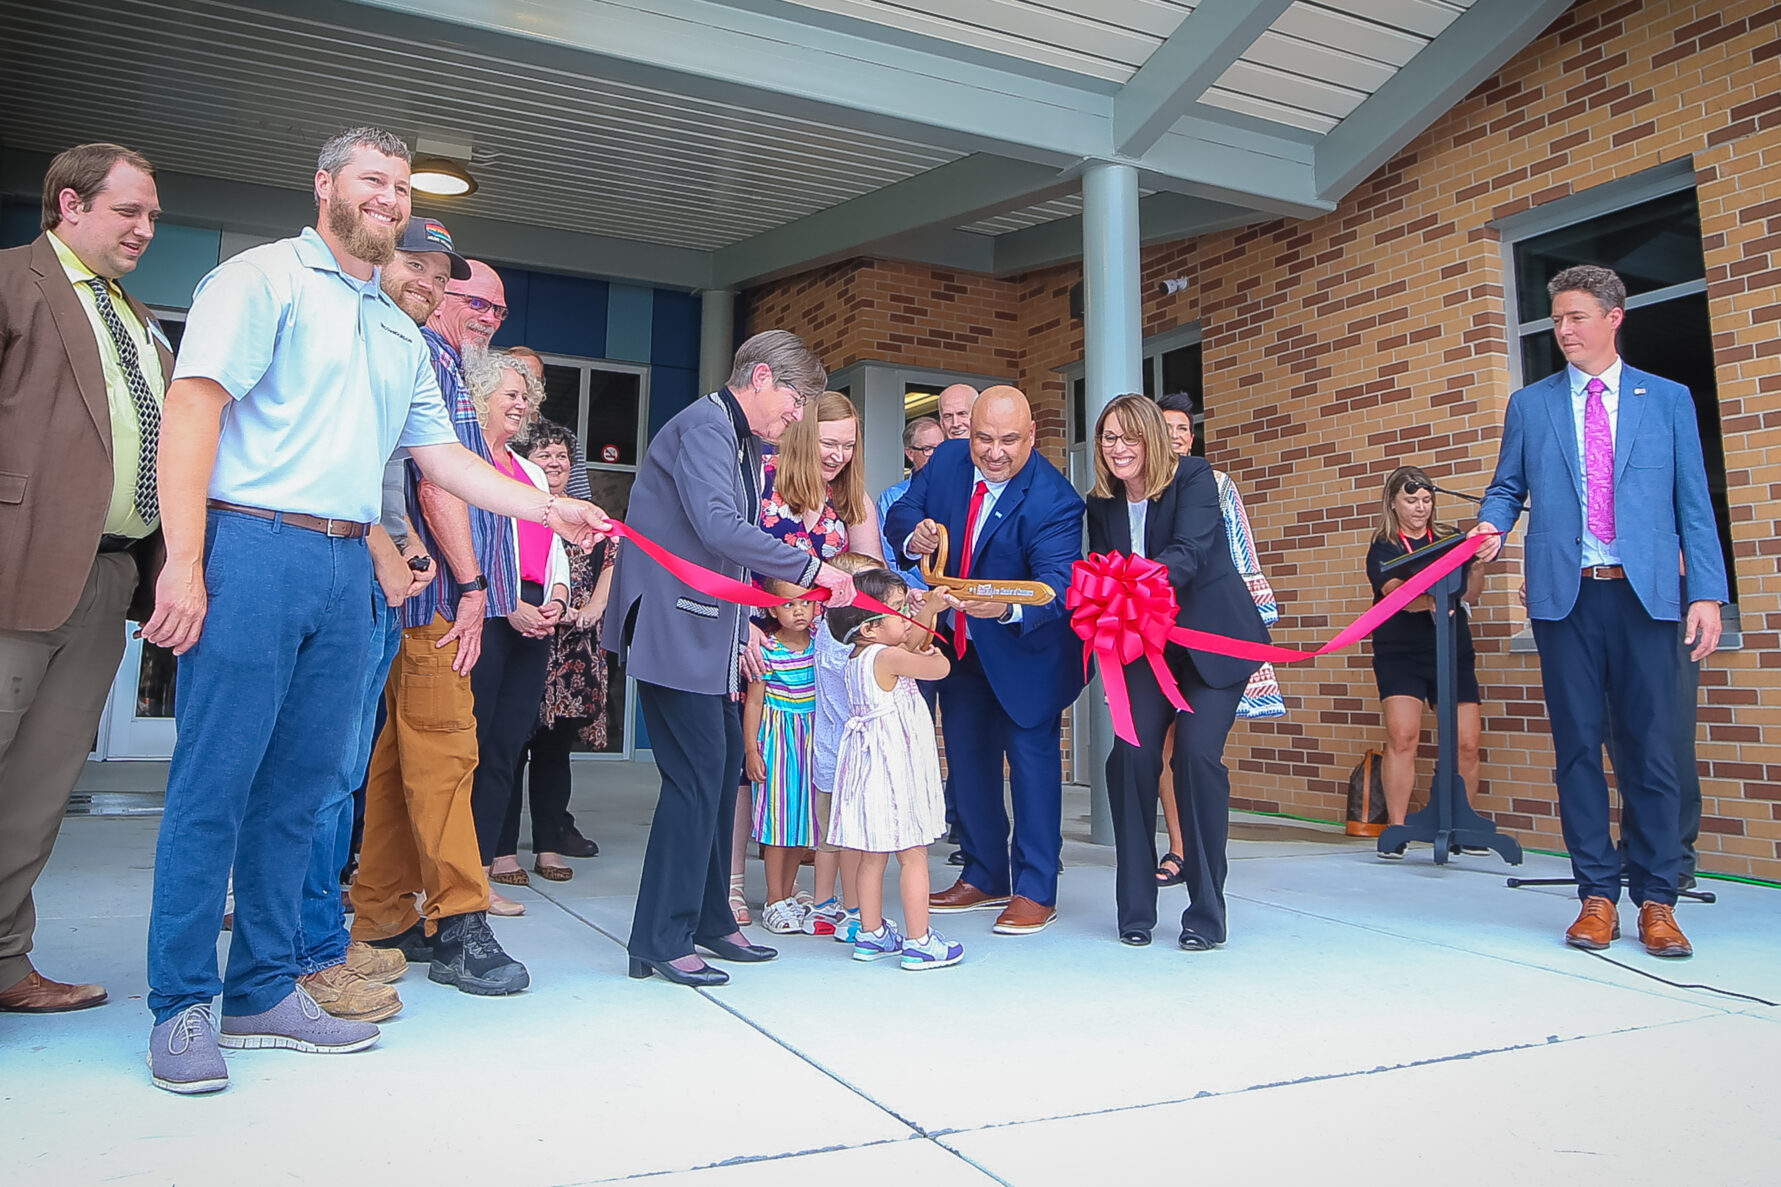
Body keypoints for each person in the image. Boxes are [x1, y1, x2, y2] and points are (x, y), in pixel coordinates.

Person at [141, 127, 609, 1094]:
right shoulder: (260, 280)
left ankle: (264, 990)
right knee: (215, 786)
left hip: (350, 562)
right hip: (254, 545)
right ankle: (181, 1003)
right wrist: (184, 562)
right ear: (325, 187)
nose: (390, 197)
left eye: (399, 185)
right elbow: (193, 410)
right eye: (373, 181)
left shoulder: (398, 327)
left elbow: (442, 462)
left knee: (304, 791)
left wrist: (546, 505)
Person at [1471, 263, 1726, 959]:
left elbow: (1692, 506)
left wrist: (1704, 592)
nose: (1562, 331)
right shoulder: (1532, 404)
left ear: (1614, 317)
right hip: (1566, 597)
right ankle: (1595, 894)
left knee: (1651, 750)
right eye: (1555, 319)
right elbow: (1506, 486)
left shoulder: (1666, 399)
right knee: (1578, 748)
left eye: (1575, 317)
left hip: (1647, 598)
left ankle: (1657, 899)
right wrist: (1491, 526)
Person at [604, 330, 857, 988]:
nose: (799, 414)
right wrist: (815, 569)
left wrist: (744, 618)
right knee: (694, 778)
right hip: (671, 626)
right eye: (797, 398)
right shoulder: (707, 428)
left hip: (710, 629)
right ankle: (659, 937)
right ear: (763, 377)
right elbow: (718, 526)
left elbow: (720, 549)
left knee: (717, 777)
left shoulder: (737, 436)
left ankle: (711, 919)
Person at [0, 143, 169, 1015]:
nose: (145, 228)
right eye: (128, 211)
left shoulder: (134, 316)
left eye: (152, 215)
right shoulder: (11, 282)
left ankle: (4, 963)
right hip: (14, 572)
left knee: (34, 794)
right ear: (69, 205)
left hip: (107, 578)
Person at [289, 216, 466, 1024]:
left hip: (379, 589)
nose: (428, 281)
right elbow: (328, 461)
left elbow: (424, 469)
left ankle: (320, 937)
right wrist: (388, 550)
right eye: (414, 264)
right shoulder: (353, 333)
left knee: (343, 776)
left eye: (441, 272)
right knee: (314, 774)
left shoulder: (404, 347)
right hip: (331, 574)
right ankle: (302, 953)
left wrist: (409, 547)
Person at [350, 253, 536, 978]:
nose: (488, 317)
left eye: (498, 309)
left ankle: (384, 915)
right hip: (431, 603)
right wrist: (470, 582)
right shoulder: (425, 354)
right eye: (476, 302)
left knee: (403, 763)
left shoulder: (444, 359)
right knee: (450, 757)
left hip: (422, 604)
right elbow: (433, 483)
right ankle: (460, 922)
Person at [884, 385, 1085, 935]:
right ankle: (984, 873)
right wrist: (914, 534)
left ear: (1031, 437)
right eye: (983, 439)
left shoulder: (1056, 499)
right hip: (960, 643)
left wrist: (1005, 607)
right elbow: (901, 514)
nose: (994, 452)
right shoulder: (947, 460)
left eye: (1009, 441)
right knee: (968, 761)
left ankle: (1037, 889)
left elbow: (1058, 585)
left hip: (1029, 652)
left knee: (1031, 768)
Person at [1086, 395, 1269, 949]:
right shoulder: (1100, 504)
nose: (1119, 449)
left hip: (1213, 644)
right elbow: (1095, 568)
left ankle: (1207, 914)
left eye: (1130, 437)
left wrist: (1131, 583)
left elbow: (1189, 553)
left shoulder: (1194, 478)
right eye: (1109, 439)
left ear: (1153, 439)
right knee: (1132, 756)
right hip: (1148, 648)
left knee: (1194, 757)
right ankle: (1136, 909)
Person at [730, 389, 883, 923]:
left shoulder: (852, 501)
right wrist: (740, 627)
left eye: (847, 444)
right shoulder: (764, 479)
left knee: (807, 770)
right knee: (750, 768)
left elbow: (871, 583)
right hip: (756, 636)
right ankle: (731, 885)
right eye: (827, 441)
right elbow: (725, 551)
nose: (837, 454)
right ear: (802, 434)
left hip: (824, 652)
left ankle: (802, 889)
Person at [1150, 392, 1283, 886]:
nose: (1177, 436)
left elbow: (1242, 551)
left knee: (1198, 746)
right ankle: (1179, 847)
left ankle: (1203, 856)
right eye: (1167, 427)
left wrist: (1257, 626)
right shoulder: (1136, 485)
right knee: (1160, 743)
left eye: (1184, 428)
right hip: (1157, 630)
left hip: (1211, 629)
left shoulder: (1215, 482)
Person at [468, 353, 571, 900]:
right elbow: (470, 540)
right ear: (479, 396)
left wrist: (556, 595)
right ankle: (451, 876)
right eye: (510, 393)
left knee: (507, 744)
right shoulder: (462, 461)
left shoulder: (530, 471)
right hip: (486, 609)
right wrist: (509, 602)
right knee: (472, 744)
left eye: (525, 396)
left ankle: (481, 873)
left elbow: (551, 542)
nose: (520, 404)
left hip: (535, 612)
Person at [826, 569, 962, 970]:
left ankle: (870, 934)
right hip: (894, 771)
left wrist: (930, 610)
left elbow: (910, 641)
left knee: (872, 855)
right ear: (869, 628)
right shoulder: (887, 656)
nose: (908, 617)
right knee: (913, 854)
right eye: (900, 611)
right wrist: (936, 654)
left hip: (867, 771)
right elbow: (937, 668)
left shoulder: (860, 656)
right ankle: (920, 939)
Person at [1366, 465, 1487, 855]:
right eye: (1411, 500)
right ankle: (1398, 830)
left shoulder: (1451, 541)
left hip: (1453, 650)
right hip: (1401, 653)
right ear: (1393, 503)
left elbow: (1471, 595)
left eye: (1426, 500)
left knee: (1467, 743)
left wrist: (1479, 562)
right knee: (1404, 737)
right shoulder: (1384, 546)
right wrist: (1435, 601)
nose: (1420, 508)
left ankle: (1462, 827)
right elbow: (1397, 594)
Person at [508, 419, 610, 881]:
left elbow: (612, 562)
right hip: (523, 635)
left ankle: (549, 847)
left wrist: (587, 610)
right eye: (544, 454)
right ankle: (500, 850)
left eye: (562, 456)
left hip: (573, 652)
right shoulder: (514, 508)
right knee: (509, 748)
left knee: (554, 754)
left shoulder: (589, 515)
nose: (554, 462)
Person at [808, 551, 882, 944]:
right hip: (852, 750)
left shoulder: (824, 628)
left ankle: (822, 907)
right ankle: (854, 913)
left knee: (827, 838)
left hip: (826, 747)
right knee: (854, 835)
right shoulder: (853, 642)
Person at [743, 580, 819, 934]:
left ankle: (788, 895)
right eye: (789, 605)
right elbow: (755, 701)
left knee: (802, 824)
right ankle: (774, 899)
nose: (799, 611)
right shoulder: (769, 650)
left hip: (813, 743)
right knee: (778, 824)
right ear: (772, 610)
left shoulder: (822, 648)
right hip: (779, 742)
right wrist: (751, 750)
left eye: (806, 603)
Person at [508, 345, 594, 500]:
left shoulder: (564, 438)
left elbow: (580, 499)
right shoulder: (483, 433)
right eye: (520, 378)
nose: (528, 387)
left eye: (534, 380)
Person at [875, 416, 944, 587]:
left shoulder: (959, 491)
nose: (936, 456)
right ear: (910, 453)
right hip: (910, 597)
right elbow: (888, 559)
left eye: (941, 448)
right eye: (928, 449)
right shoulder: (892, 498)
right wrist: (919, 593)